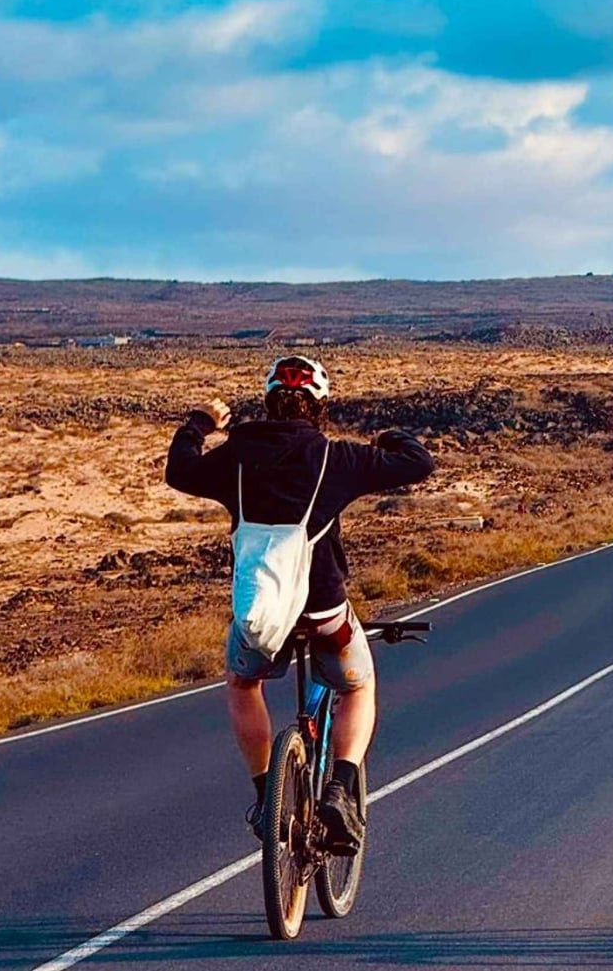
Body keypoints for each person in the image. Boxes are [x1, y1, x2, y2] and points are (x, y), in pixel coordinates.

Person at [166, 356, 435, 855]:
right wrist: (391, 436)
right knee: (358, 685)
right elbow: (418, 463)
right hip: (323, 611)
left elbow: (179, 470)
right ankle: (341, 786)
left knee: (243, 684)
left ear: (268, 402)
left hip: (262, 614)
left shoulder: (236, 457)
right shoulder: (335, 457)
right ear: (320, 406)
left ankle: (267, 796)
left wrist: (200, 423)